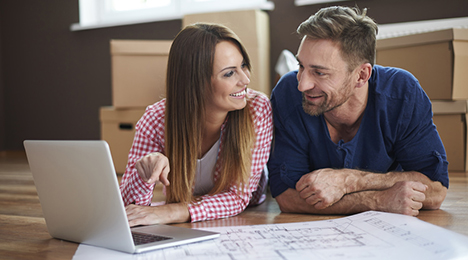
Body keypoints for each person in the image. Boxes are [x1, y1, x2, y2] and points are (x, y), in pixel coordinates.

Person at [267, 6, 449, 217]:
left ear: (362, 76)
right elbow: (286, 196)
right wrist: (377, 200)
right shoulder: (288, 93)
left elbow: (436, 190)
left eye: (319, 73)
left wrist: (349, 181)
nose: (303, 84)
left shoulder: (402, 94)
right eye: (301, 66)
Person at [120, 23, 273, 226]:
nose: (245, 79)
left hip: (244, 218)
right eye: (229, 73)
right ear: (196, 82)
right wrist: (144, 175)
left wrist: (173, 211)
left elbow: (238, 197)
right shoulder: (156, 119)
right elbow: (129, 208)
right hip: (189, 223)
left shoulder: (257, 109)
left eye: (243, 65)